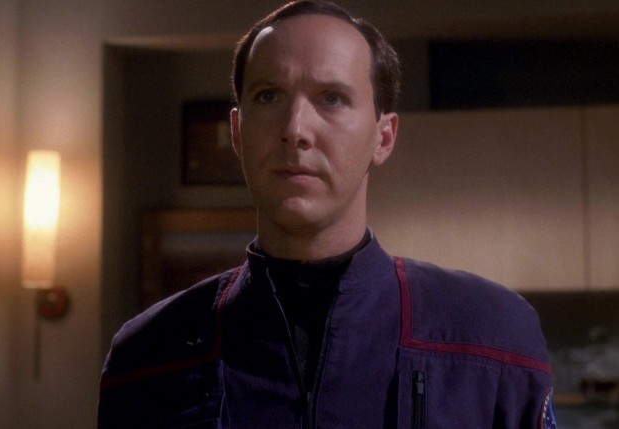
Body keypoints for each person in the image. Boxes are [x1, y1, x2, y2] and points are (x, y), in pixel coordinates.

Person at [98, 1, 557, 428]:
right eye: (269, 96)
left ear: (383, 137)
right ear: (237, 133)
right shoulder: (148, 356)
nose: (295, 130)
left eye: (332, 98)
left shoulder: (492, 339)